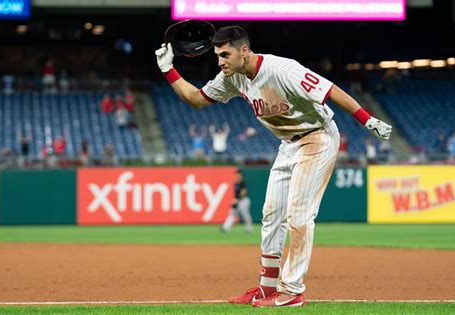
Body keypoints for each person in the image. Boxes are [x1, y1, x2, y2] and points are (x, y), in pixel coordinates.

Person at [155, 25, 392, 307]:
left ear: (244, 51)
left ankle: (292, 291)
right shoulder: (232, 78)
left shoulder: (282, 69)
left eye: (225, 55)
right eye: (218, 55)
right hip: (288, 144)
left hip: (318, 136)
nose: (220, 61)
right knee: (271, 214)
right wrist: (168, 69)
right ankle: (267, 288)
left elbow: (330, 91)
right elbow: (196, 99)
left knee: (299, 214)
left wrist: (367, 120)